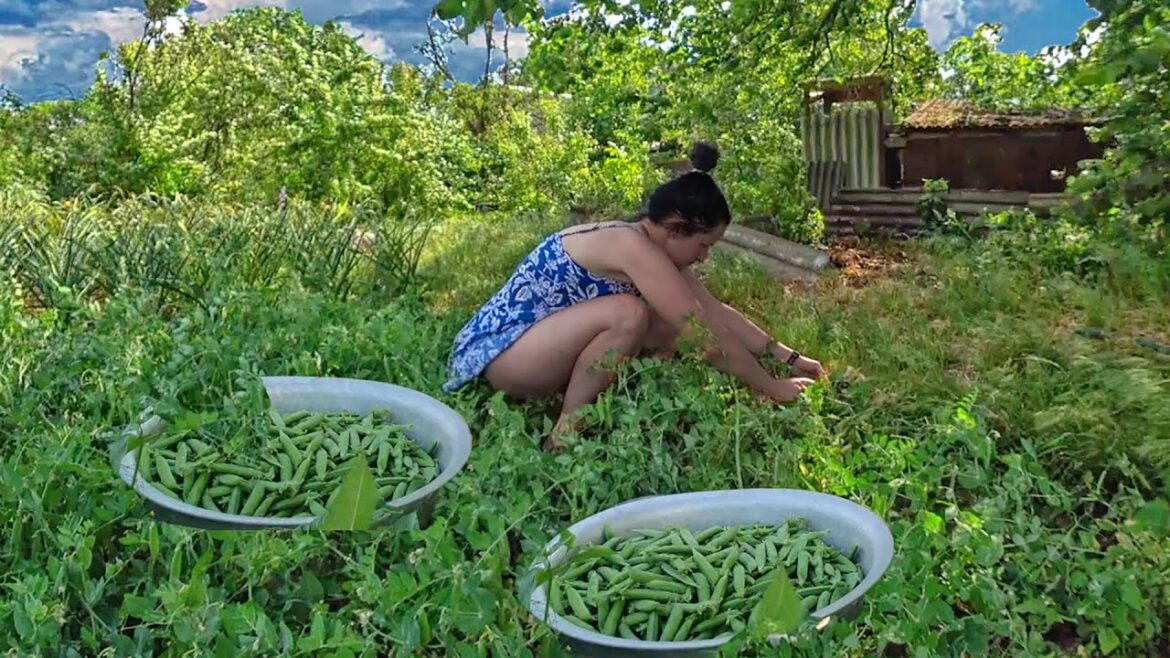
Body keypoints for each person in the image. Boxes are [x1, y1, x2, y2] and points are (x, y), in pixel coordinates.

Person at [443, 142, 828, 450]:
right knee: (630, 314)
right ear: (676, 229)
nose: (704, 256)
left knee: (660, 322)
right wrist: (772, 387)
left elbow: (713, 312)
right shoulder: (631, 247)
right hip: (505, 356)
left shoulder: (651, 247)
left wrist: (788, 357)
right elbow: (702, 335)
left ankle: (577, 413)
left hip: (537, 347)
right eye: (704, 244)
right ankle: (563, 435)